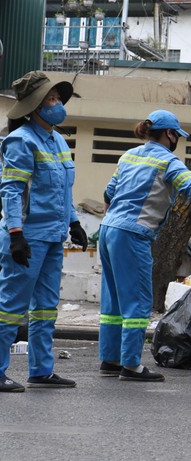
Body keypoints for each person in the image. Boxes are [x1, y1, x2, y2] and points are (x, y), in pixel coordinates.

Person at [98, 109, 191, 382]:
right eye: (177, 134)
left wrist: (112, 221)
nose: (177, 139)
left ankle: (111, 358)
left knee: (114, 299)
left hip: (108, 230)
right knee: (138, 302)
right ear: (169, 134)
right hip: (132, 234)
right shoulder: (167, 161)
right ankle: (130, 366)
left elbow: (109, 194)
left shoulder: (128, 155)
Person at [0, 71, 89, 393]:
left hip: (52, 236)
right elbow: (11, 191)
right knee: (10, 307)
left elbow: (62, 190)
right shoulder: (21, 141)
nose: (56, 104)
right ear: (34, 107)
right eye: (49, 100)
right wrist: (15, 234)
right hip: (27, 237)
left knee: (45, 307)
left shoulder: (58, 140)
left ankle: (41, 370)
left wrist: (74, 222)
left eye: (56, 99)